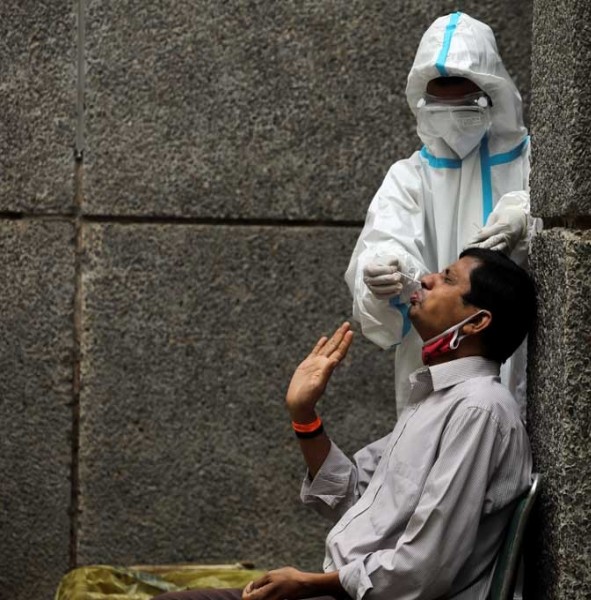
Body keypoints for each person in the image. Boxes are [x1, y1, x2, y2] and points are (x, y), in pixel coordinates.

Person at [153, 249, 537, 600]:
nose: (426, 279)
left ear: (477, 321)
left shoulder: (479, 410)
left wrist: (307, 584)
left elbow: (425, 567)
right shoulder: (437, 396)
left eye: (448, 279)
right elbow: (353, 500)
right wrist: (304, 415)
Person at [345, 12, 535, 415]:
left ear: (493, 95)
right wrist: (382, 275)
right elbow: (382, 253)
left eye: (466, 106)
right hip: (435, 381)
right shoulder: (409, 178)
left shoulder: (531, 163)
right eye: (437, 106)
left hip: (525, 371)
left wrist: (527, 217)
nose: (451, 119)